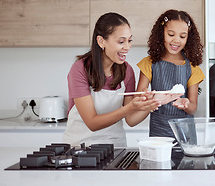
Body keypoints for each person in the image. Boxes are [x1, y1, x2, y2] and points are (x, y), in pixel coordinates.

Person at [62, 12, 161, 147]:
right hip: (80, 148)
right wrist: (130, 108)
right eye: (121, 41)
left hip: (115, 148)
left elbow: (131, 120)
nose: (127, 47)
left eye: (129, 40)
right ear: (101, 41)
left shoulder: (127, 71)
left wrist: (151, 104)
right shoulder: (80, 69)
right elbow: (92, 123)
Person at [135, 9, 205, 137]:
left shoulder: (193, 68)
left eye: (182, 36)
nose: (176, 40)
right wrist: (148, 98)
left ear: (188, 38)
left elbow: (193, 107)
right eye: (171, 34)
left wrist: (186, 104)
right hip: (159, 130)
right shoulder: (149, 63)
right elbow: (139, 100)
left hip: (186, 133)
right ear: (162, 34)